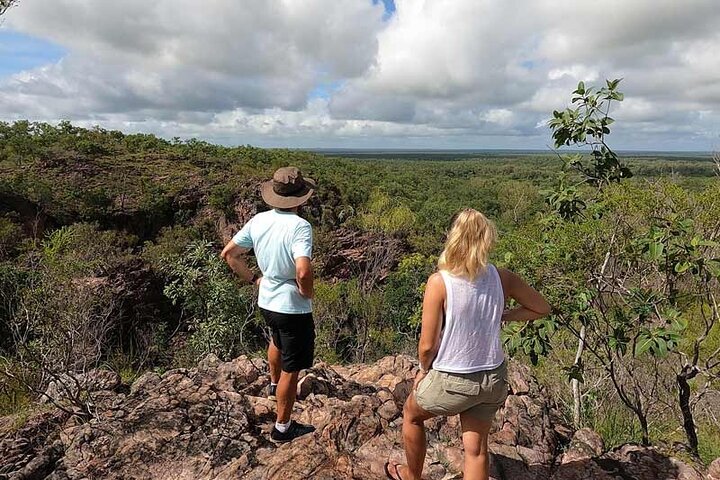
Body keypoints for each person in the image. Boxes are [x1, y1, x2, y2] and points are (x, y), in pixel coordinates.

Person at [385, 209, 551, 480]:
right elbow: (541, 307)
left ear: (453, 238)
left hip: (453, 380)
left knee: (412, 414)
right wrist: (505, 315)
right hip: (492, 380)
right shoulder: (503, 277)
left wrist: (423, 370)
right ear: (486, 240)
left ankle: (411, 474)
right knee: (475, 450)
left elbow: (427, 345)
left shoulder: (440, 282)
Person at [220, 166, 317, 444]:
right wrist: (306, 292)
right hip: (291, 306)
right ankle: (283, 428)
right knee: (292, 367)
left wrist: (254, 279)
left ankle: (274, 387)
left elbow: (229, 254)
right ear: (301, 198)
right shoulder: (300, 227)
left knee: (276, 340)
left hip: (267, 300)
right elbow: (302, 271)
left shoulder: (259, 220)